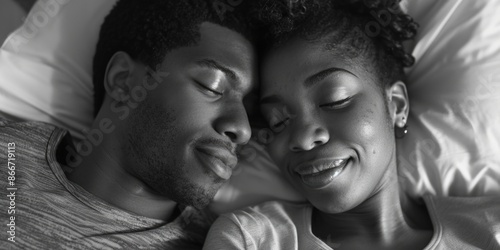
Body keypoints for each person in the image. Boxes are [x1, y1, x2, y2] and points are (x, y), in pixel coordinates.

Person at [203, 0, 500, 249]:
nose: (304, 138)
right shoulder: (249, 239)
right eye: (277, 122)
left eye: (334, 101)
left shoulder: (491, 227)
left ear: (396, 106)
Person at [0, 0, 258, 248]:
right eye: (211, 86)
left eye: (252, 112)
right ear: (123, 80)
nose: (243, 129)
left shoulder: (228, 242)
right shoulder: (10, 152)